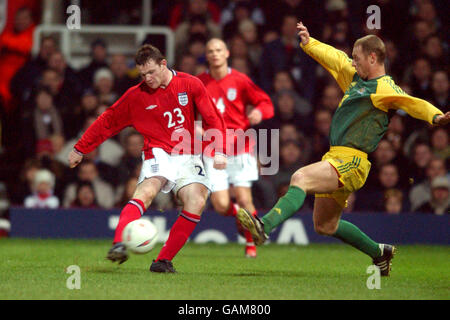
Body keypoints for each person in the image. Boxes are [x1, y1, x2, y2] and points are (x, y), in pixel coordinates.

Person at [236, 21, 450, 277]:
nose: (353, 62)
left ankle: (264, 226)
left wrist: (435, 117)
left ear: (373, 57)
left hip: (353, 162)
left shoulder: (384, 87)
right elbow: (336, 59)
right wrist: (309, 42)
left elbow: (412, 103)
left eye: (357, 58)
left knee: (299, 178)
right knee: (325, 225)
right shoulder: (356, 78)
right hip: (336, 157)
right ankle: (379, 252)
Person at [68, 44, 227, 273]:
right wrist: (81, 148)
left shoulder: (190, 83)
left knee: (197, 201)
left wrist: (220, 149)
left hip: (188, 153)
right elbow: (108, 121)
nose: (148, 78)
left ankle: (163, 261)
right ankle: (119, 244)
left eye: (151, 72)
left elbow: (212, 117)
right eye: (143, 75)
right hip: (158, 151)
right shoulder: (136, 96)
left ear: (163, 64)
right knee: (148, 189)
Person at [197, 38, 274, 258]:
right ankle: (246, 219)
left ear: (227, 53)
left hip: (241, 147)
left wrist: (260, 112)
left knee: (244, 198)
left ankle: (251, 243)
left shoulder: (240, 80)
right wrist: (195, 127)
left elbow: (265, 102)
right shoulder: (199, 83)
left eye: (218, 50)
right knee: (221, 205)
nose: (214, 54)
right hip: (213, 149)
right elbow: (188, 111)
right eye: (210, 51)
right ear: (207, 55)